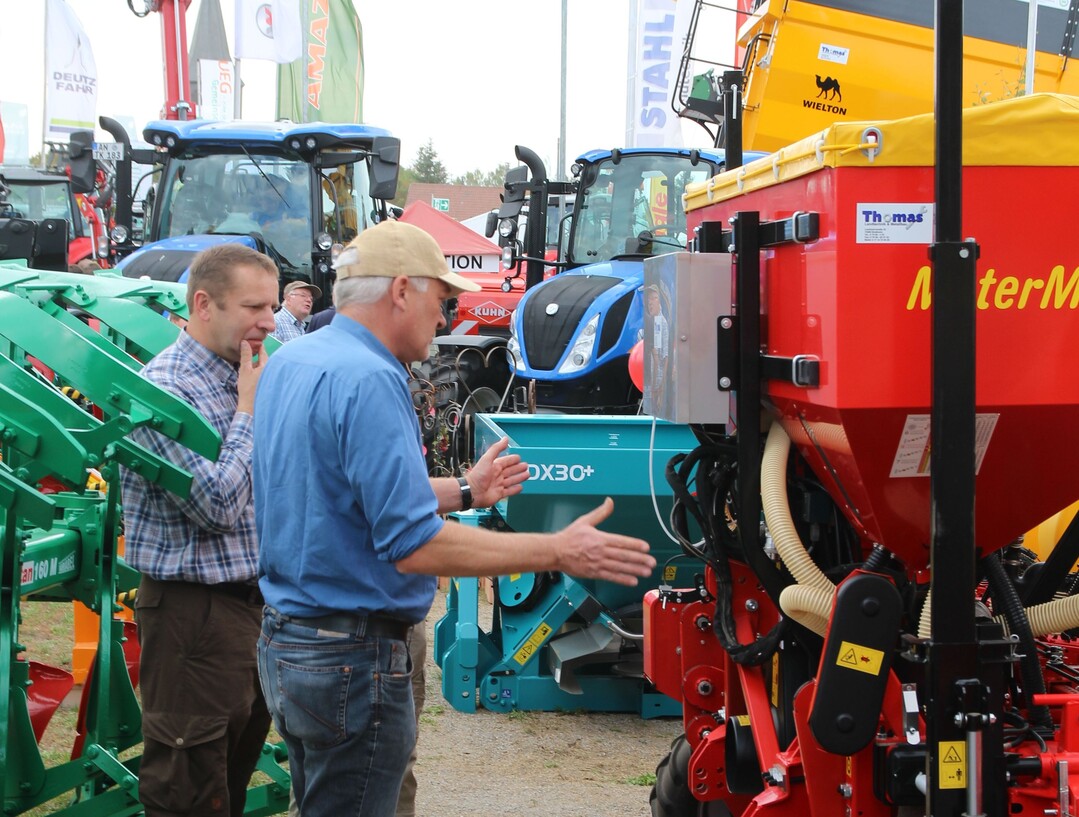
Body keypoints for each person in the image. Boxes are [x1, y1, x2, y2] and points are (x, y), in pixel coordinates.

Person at [252, 220, 655, 817]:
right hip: (350, 660)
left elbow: (337, 492)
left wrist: (466, 491)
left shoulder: (295, 361)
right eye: (441, 303)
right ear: (400, 292)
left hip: (290, 643)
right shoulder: (370, 378)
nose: (443, 322)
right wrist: (558, 551)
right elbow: (412, 545)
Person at [119, 243, 279, 817]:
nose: (269, 322)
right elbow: (218, 505)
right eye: (254, 307)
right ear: (204, 304)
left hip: (250, 610)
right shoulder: (162, 389)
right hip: (193, 618)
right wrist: (249, 412)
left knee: (228, 781)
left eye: (273, 307)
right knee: (189, 789)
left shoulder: (243, 372)